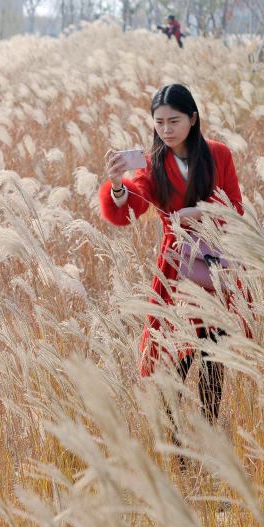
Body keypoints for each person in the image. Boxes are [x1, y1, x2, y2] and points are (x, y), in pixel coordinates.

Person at [99, 84, 247, 438]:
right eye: (159, 122)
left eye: (174, 120)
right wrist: (117, 186)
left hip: (214, 261)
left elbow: (236, 207)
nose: (166, 129)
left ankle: (209, 433)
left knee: (213, 356)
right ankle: (177, 444)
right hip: (176, 267)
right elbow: (133, 208)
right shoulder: (151, 165)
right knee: (173, 356)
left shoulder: (219, 154)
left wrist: (201, 212)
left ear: (193, 119)